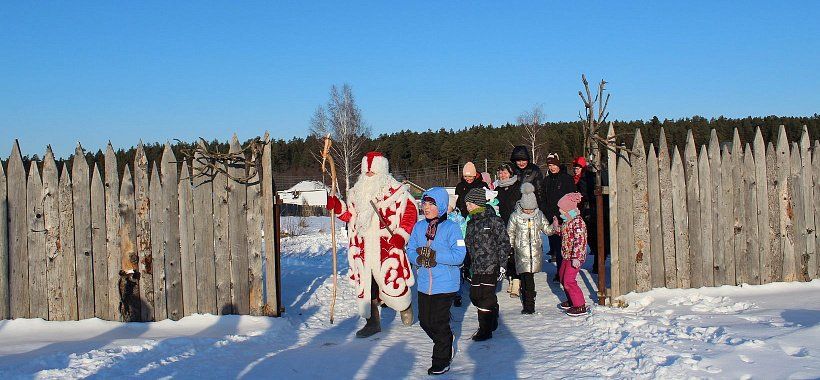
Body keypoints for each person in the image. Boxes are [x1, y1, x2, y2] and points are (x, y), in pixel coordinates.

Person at [326, 152, 417, 338]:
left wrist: (401, 235)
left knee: (393, 281)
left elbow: (411, 211)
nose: (368, 175)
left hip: (387, 248)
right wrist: (338, 208)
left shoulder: (396, 191)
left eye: (372, 172)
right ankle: (372, 323)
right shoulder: (356, 193)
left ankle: (404, 306)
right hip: (363, 250)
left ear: (382, 171)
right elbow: (350, 216)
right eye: (366, 172)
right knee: (368, 287)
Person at [407, 187, 467, 375]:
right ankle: (446, 339)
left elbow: (459, 256)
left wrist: (434, 256)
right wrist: (418, 259)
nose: (426, 207)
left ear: (440, 206)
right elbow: (410, 249)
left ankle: (441, 360)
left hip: (446, 284)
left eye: (431, 204)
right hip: (425, 284)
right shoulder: (419, 227)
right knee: (425, 322)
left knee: (438, 323)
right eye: (424, 203)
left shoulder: (452, 228)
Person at [463, 187, 512, 341]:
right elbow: (467, 245)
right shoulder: (471, 223)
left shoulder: (494, 220)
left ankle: (485, 330)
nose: (467, 207)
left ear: (478, 203)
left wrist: (502, 264)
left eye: (470, 204)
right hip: (476, 267)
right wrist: (466, 264)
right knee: (475, 296)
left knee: (485, 297)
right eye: (466, 204)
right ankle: (493, 309)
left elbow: (504, 243)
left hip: (492, 265)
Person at [507, 183, 556, 314]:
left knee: (529, 278)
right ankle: (529, 305)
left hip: (534, 252)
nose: (528, 211)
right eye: (526, 209)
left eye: (531, 209)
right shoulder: (515, 216)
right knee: (526, 277)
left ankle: (529, 302)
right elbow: (510, 233)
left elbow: (547, 230)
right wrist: (510, 248)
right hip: (521, 251)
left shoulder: (539, 215)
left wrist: (554, 226)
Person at [554, 192, 589, 317]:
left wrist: (576, 257)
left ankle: (580, 305)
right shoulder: (567, 220)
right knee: (562, 277)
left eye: (562, 209)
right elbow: (565, 234)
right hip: (567, 255)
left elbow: (580, 240)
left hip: (575, 257)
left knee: (569, 280)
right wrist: (556, 227)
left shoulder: (578, 222)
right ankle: (572, 300)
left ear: (569, 209)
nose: (560, 211)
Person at [542, 152, 575, 281]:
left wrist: (569, 216)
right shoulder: (546, 181)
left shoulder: (567, 179)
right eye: (549, 165)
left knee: (565, 247)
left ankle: (564, 273)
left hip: (565, 219)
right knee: (556, 247)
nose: (552, 167)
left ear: (558, 164)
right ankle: (560, 272)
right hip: (552, 219)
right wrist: (548, 214)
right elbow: (543, 199)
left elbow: (573, 198)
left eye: (554, 165)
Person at [494, 163, 522, 296]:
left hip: (516, 225)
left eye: (505, 172)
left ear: (511, 173)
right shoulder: (497, 189)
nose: (502, 175)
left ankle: (517, 280)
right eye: (500, 173)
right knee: (506, 253)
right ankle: (511, 277)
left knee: (515, 253)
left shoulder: (518, 187)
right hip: (502, 225)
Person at [573, 156, 598, 273]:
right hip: (580, 210)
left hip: (588, 211)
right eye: (574, 168)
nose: (575, 170)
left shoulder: (586, 179)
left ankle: (597, 263)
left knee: (591, 236)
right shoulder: (575, 179)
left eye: (578, 168)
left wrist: (581, 197)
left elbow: (587, 195)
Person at [509, 146, 546, 213]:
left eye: (523, 160)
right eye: (518, 161)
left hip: (529, 207)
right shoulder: (511, 170)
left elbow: (540, 190)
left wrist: (541, 208)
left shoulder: (534, 170)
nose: (521, 163)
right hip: (513, 206)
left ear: (527, 160)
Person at [446, 194, 467, 307]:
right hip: (444, 250)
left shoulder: (459, 219)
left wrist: (459, 246)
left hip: (455, 250)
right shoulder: (440, 218)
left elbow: (463, 233)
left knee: (457, 273)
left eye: (448, 206)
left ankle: (457, 295)